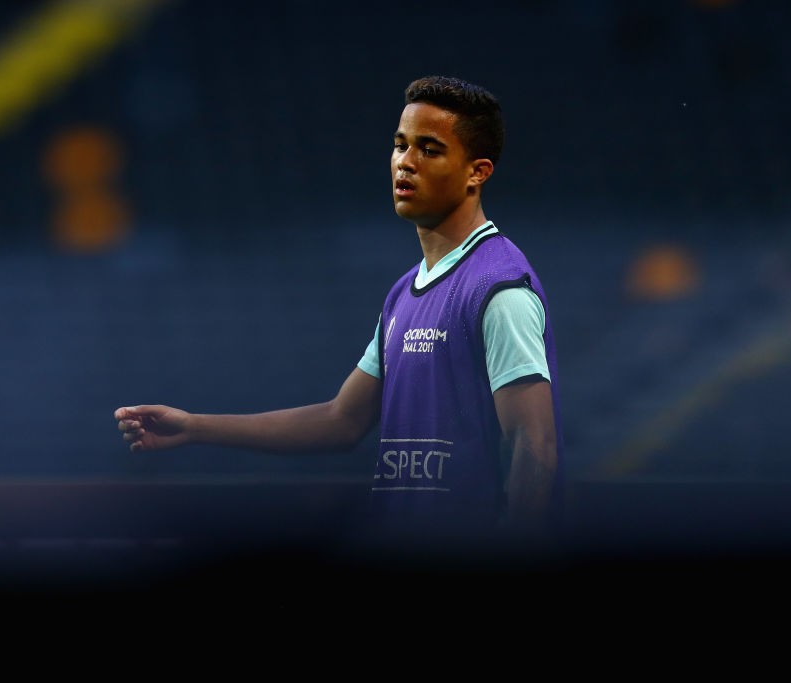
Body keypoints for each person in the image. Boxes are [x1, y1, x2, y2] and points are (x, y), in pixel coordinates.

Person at [115, 75, 564, 561]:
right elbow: (341, 420)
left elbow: (532, 443)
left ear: (477, 172)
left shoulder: (497, 288)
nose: (405, 163)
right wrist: (195, 426)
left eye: (429, 150)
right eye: (400, 145)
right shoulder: (402, 295)